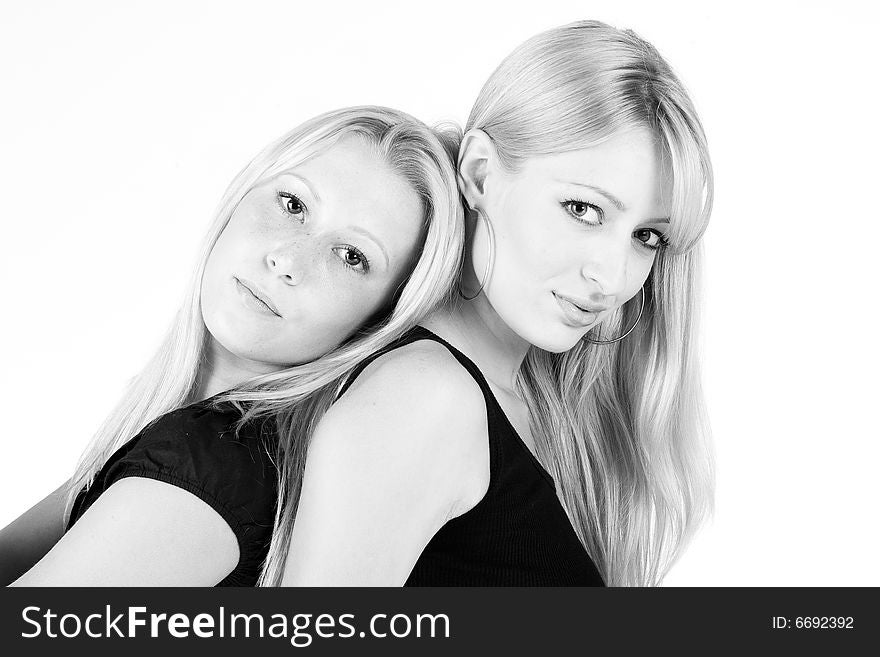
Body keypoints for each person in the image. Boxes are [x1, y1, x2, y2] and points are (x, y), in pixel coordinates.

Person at [278, 21, 714, 587]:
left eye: (647, 236)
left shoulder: (534, 403)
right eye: (583, 209)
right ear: (481, 174)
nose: (610, 276)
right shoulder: (424, 400)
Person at [2, 106, 465, 586]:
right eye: (293, 204)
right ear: (242, 195)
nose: (287, 259)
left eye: (352, 257)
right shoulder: (183, 434)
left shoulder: (214, 463)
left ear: (379, 321)